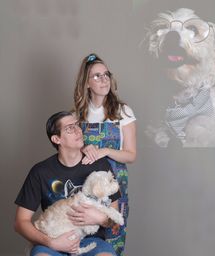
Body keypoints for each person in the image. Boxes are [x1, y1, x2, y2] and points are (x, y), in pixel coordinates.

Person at [14, 111, 120, 256]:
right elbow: (21, 222)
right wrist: (51, 242)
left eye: (77, 125)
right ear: (57, 139)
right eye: (70, 128)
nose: (78, 130)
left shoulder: (100, 165)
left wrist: (100, 218)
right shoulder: (40, 172)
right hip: (53, 241)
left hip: (92, 242)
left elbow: (116, 222)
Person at [73, 53, 136, 256]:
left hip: (115, 183)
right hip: (84, 184)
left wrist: (105, 151)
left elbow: (131, 155)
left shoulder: (122, 111)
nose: (104, 79)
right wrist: (83, 148)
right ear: (87, 83)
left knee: (113, 234)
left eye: (106, 74)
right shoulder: (77, 115)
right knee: (81, 236)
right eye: (97, 76)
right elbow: (68, 151)